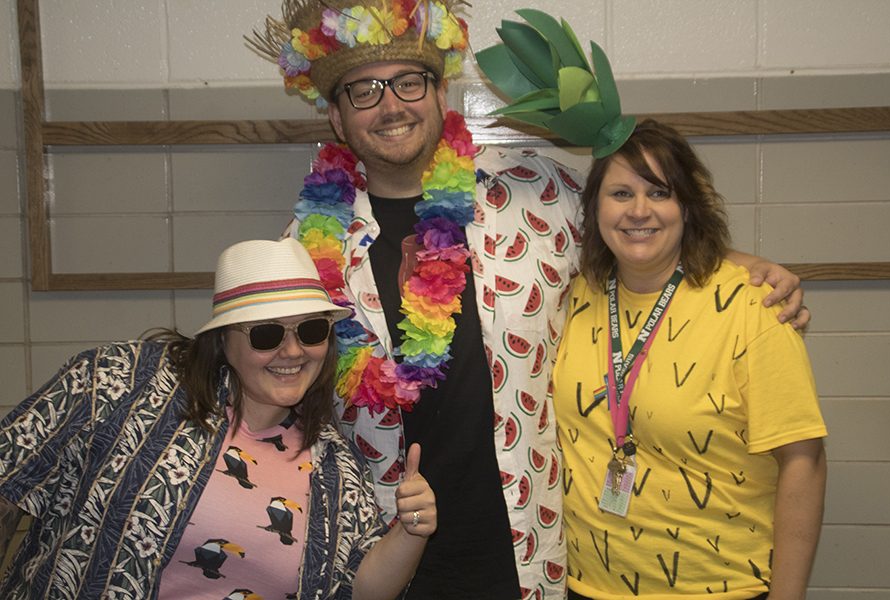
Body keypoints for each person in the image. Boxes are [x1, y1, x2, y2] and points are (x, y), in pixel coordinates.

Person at [246, 3, 810, 598]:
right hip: (380, 559)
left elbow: (641, 241)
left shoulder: (538, 192)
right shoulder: (305, 252)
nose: (391, 104)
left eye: (409, 82)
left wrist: (742, 267)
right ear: (336, 117)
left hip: (530, 550)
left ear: (442, 95)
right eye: (364, 91)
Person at [0, 238, 436, 599]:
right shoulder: (122, 381)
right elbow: (9, 472)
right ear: (223, 340)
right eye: (266, 333)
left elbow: (359, 588)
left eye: (310, 331)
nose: (292, 351)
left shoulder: (332, 464)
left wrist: (411, 530)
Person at [553, 119, 827, 599]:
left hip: (719, 586)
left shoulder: (753, 307)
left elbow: (803, 459)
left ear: (687, 207)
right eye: (620, 193)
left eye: (659, 193)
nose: (639, 211)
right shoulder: (576, 293)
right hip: (585, 585)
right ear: (595, 208)